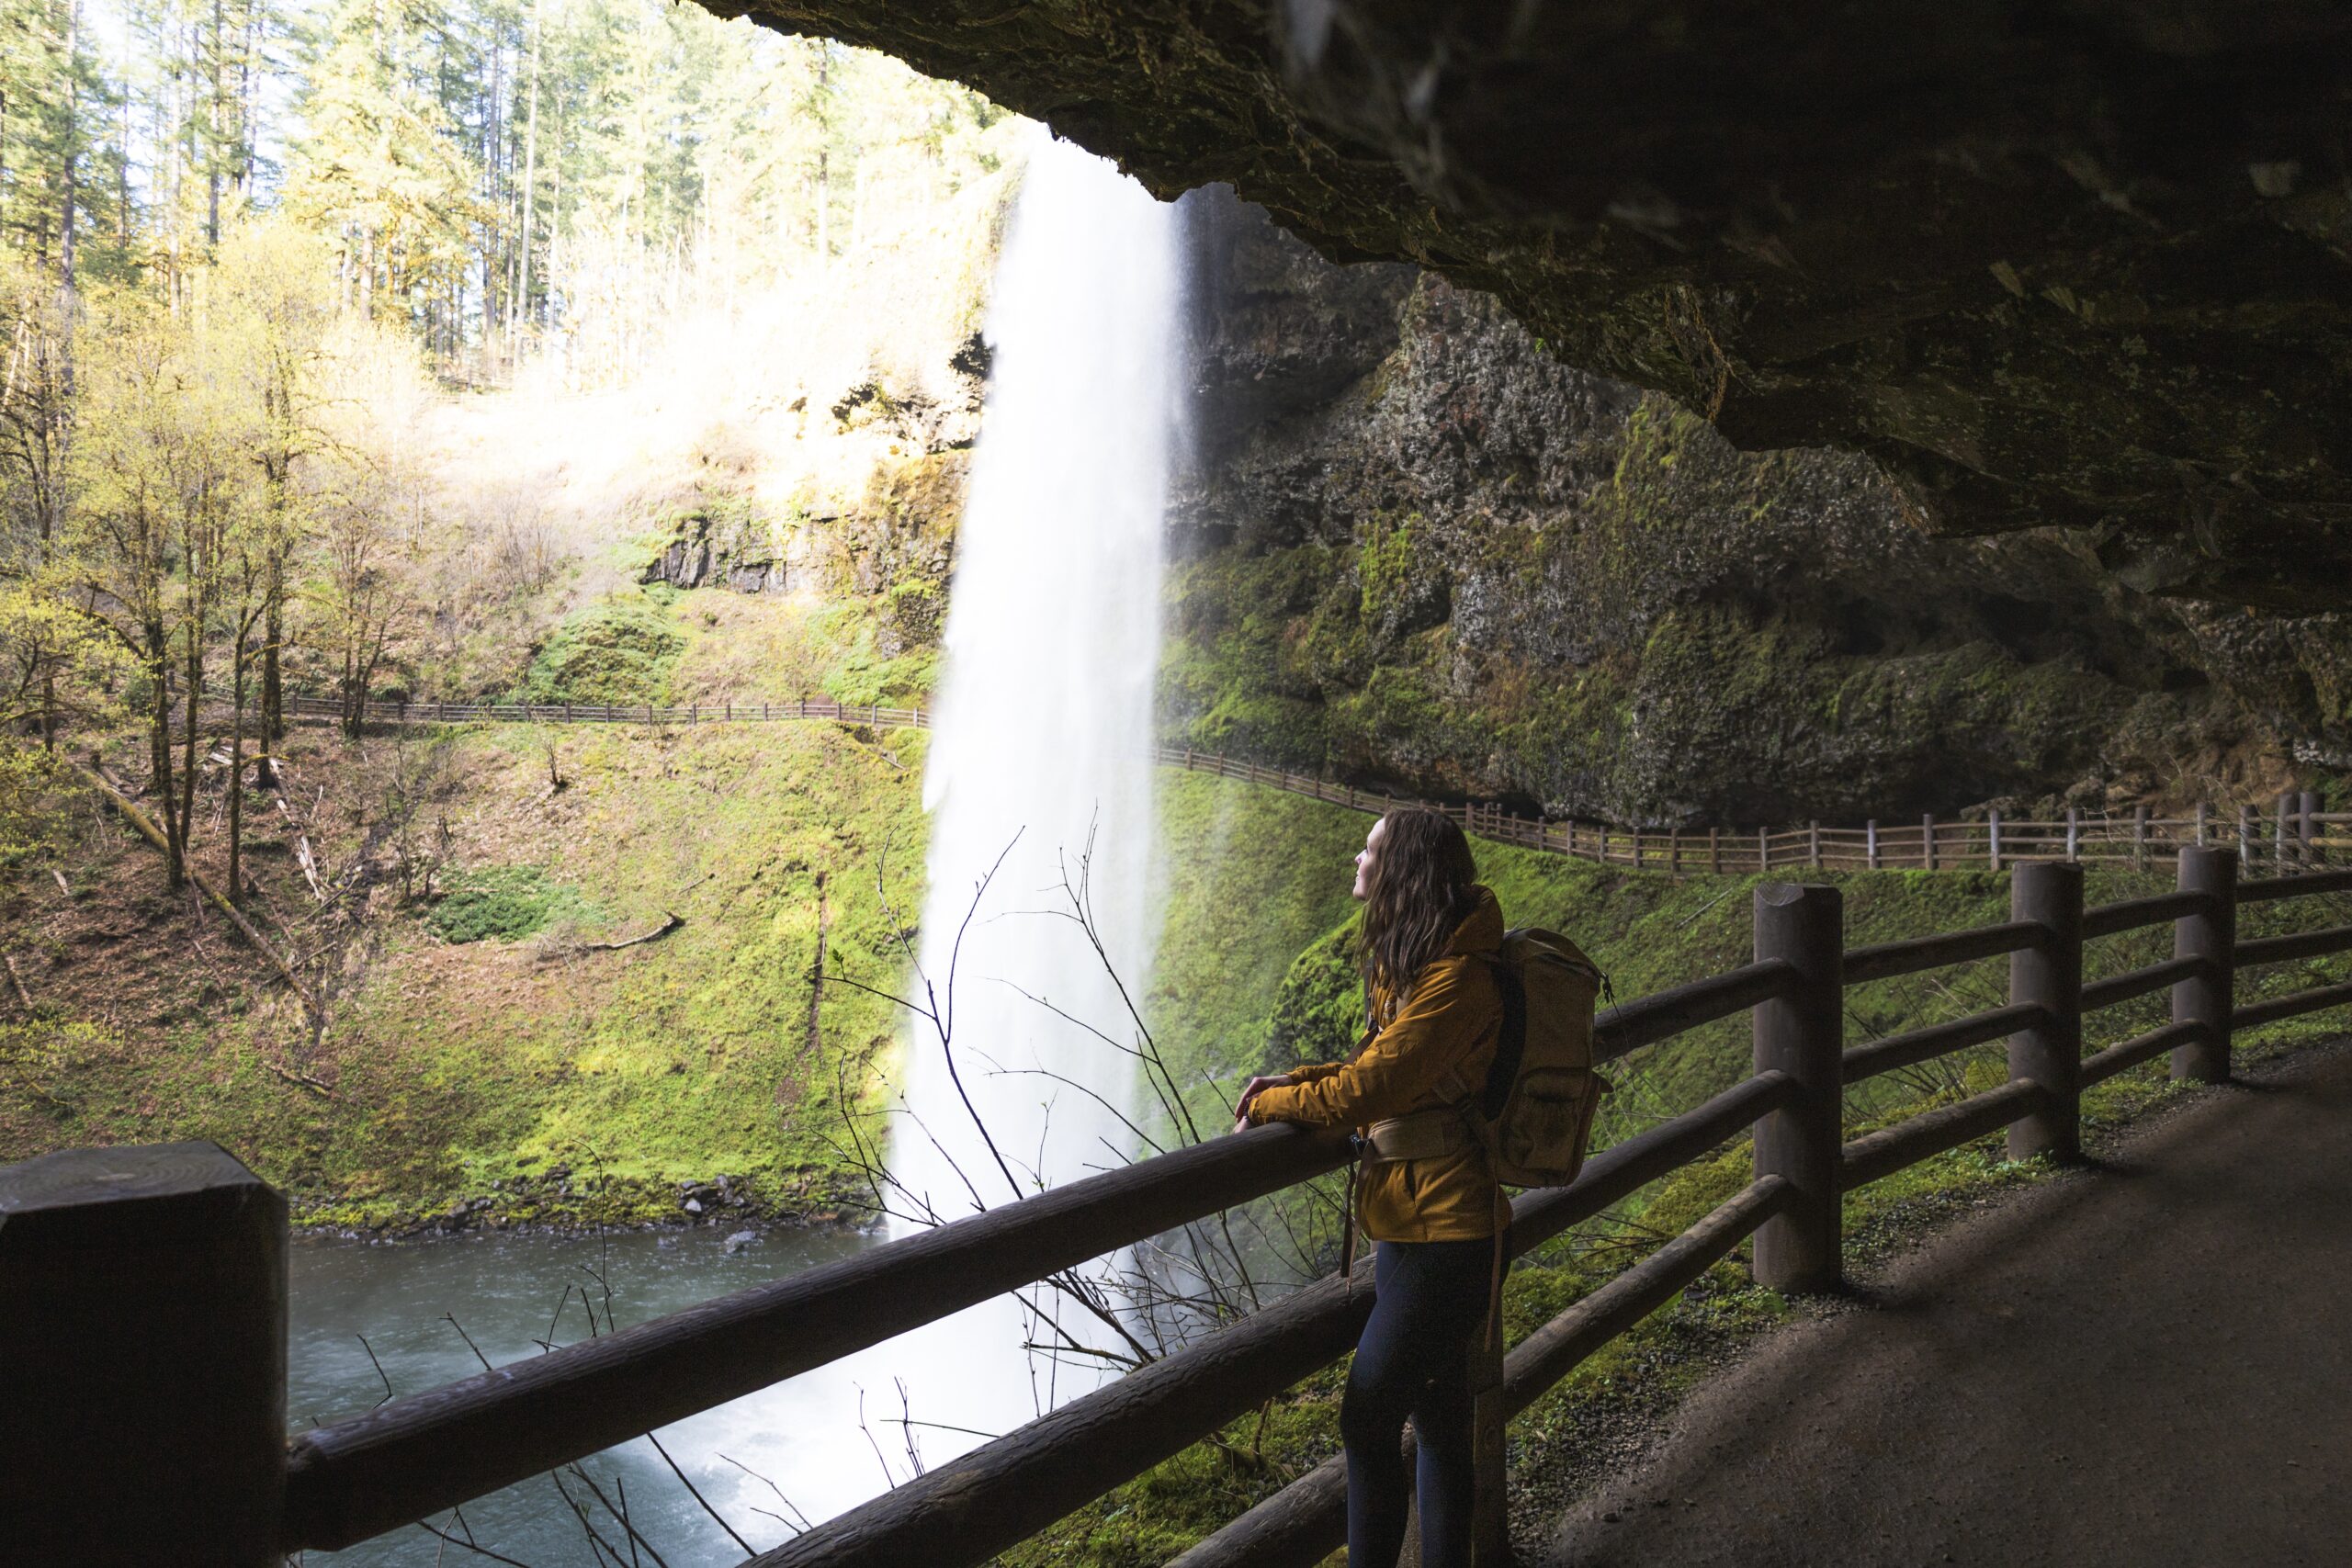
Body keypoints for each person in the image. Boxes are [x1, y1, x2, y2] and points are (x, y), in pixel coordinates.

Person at [1233, 807, 1510, 1568]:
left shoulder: (1458, 980)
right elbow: (1377, 1070)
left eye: (1372, 846)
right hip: (1409, 1223)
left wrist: (1268, 1102)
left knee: (1366, 1414)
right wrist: (1298, 1079)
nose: (1357, 854)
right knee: (1442, 1417)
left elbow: (1365, 1092)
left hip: (1450, 1231)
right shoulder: (1423, 965)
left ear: (1404, 870)